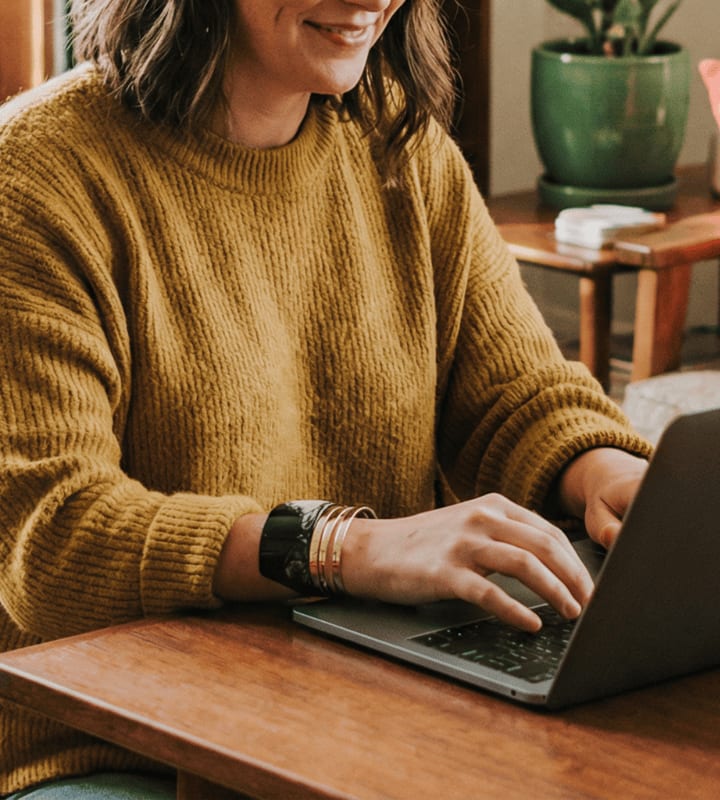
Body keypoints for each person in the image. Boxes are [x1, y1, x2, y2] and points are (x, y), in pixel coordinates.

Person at [0, 0, 652, 796]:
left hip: (360, 711)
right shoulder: (34, 173)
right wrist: (346, 549)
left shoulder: (399, 144)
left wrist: (607, 472)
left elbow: (516, 396)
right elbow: (53, 537)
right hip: (112, 750)